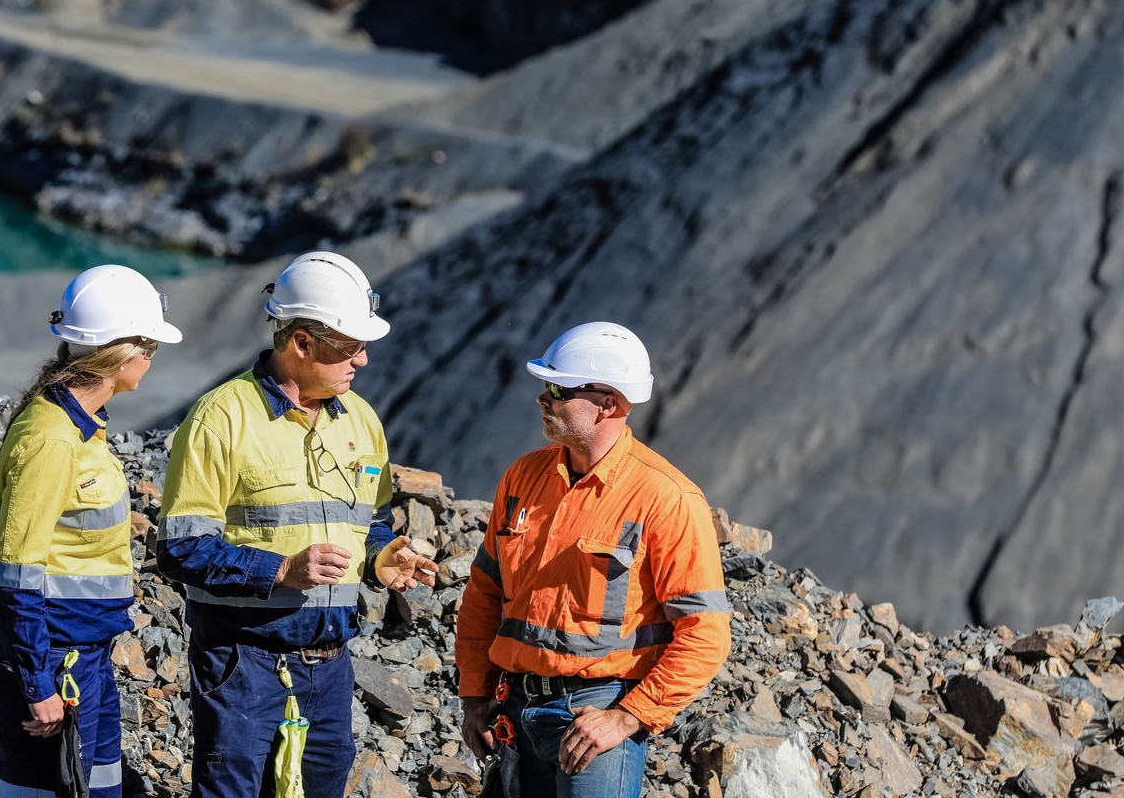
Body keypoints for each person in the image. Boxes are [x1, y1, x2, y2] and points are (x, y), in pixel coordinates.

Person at [156, 251, 438, 798]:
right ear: (302, 342)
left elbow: (370, 520)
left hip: (330, 669)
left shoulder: (361, 418)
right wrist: (282, 569)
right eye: (349, 346)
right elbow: (180, 548)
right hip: (242, 665)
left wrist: (383, 559)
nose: (362, 360)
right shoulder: (222, 417)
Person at [455, 322, 732, 798]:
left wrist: (628, 716)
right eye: (545, 386)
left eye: (559, 389)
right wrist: (476, 694)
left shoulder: (665, 499)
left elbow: (705, 635)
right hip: (516, 706)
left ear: (611, 403)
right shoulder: (523, 477)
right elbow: (484, 594)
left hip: (597, 714)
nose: (543, 398)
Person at [0, 265, 183, 798]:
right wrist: (37, 684)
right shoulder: (53, 440)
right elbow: (13, 577)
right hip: (54, 660)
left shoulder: (78, 429)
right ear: (122, 353)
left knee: (99, 787)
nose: (152, 360)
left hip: (83, 656)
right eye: (150, 347)